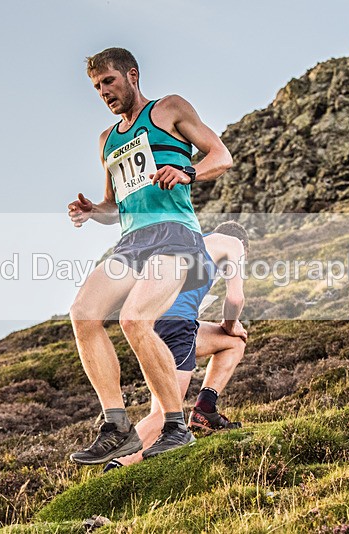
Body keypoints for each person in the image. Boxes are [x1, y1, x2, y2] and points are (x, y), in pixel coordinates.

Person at [67, 47, 233, 465]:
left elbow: (221, 155)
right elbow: (112, 205)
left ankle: (175, 427)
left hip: (176, 236)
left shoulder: (169, 109)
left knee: (134, 319)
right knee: (83, 314)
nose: (104, 92)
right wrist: (93, 212)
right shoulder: (107, 141)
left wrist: (187, 171)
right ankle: (117, 426)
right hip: (132, 242)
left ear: (132, 75)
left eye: (109, 81)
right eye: (96, 87)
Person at [104, 221, 249, 471]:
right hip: (176, 328)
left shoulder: (191, 242)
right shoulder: (233, 244)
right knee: (165, 415)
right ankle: (117, 465)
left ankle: (205, 410)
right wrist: (230, 324)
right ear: (243, 245)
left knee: (232, 344)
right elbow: (235, 298)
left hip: (153, 326)